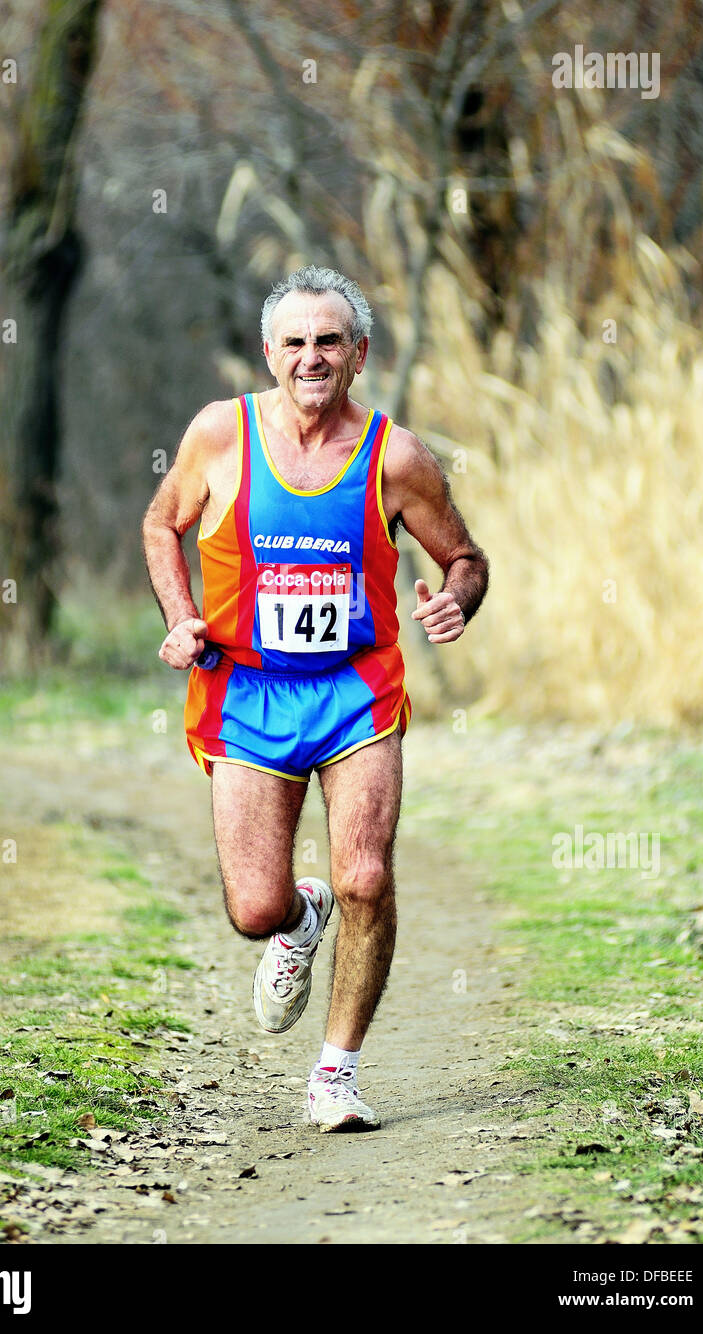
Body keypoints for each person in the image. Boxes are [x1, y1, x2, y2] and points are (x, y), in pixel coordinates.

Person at [142, 267, 488, 1132]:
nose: (311, 356)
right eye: (294, 341)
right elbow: (160, 524)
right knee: (253, 907)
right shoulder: (220, 436)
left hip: (355, 692)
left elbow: (465, 556)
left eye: (329, 340)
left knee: (365, 874)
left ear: (359, 353)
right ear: (268, 353)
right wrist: (183, 619)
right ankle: (299, 923)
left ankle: (334, 1075)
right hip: (244, 692)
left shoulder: (396, 456)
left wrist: (456, 596)